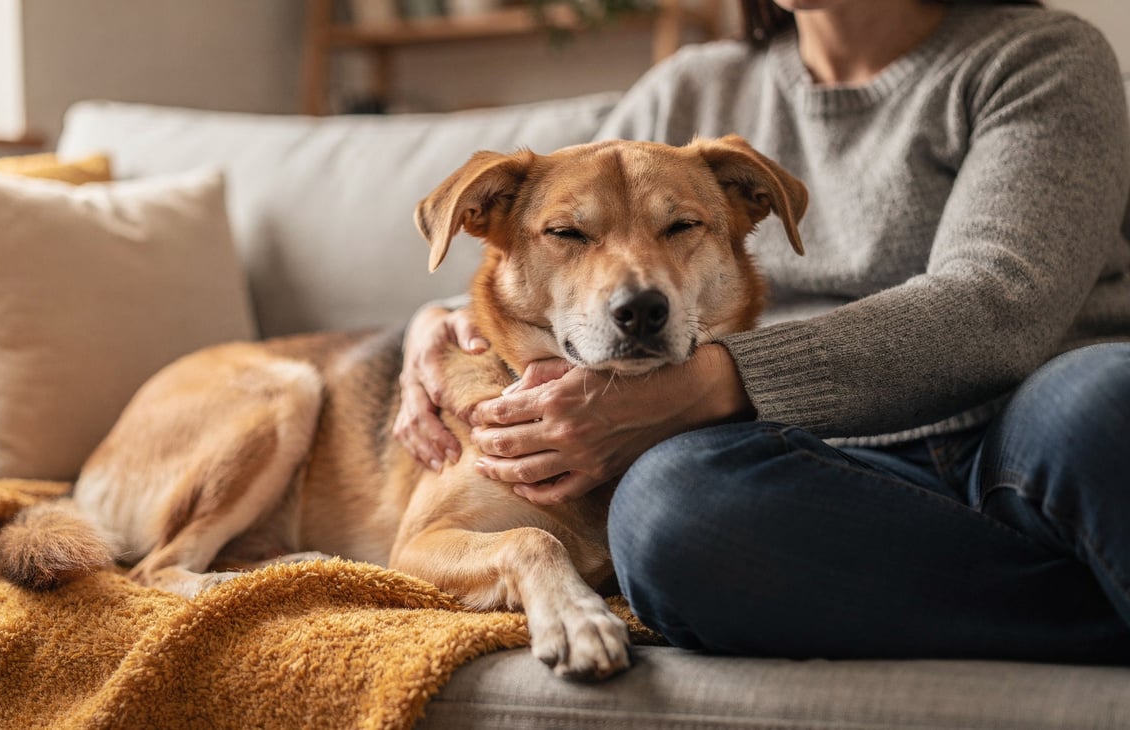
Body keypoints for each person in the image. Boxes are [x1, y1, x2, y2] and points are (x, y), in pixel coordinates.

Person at [394, 0, 1130, 663]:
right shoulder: (690, 86)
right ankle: (1097, 614)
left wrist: (708, 385)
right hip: (801, 468)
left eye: (682, 225)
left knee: (1101, 398)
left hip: (1013, 438)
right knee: (667, 507)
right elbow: (562, 243)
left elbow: (997, 305)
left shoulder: (1036, 58)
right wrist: (434, 327)